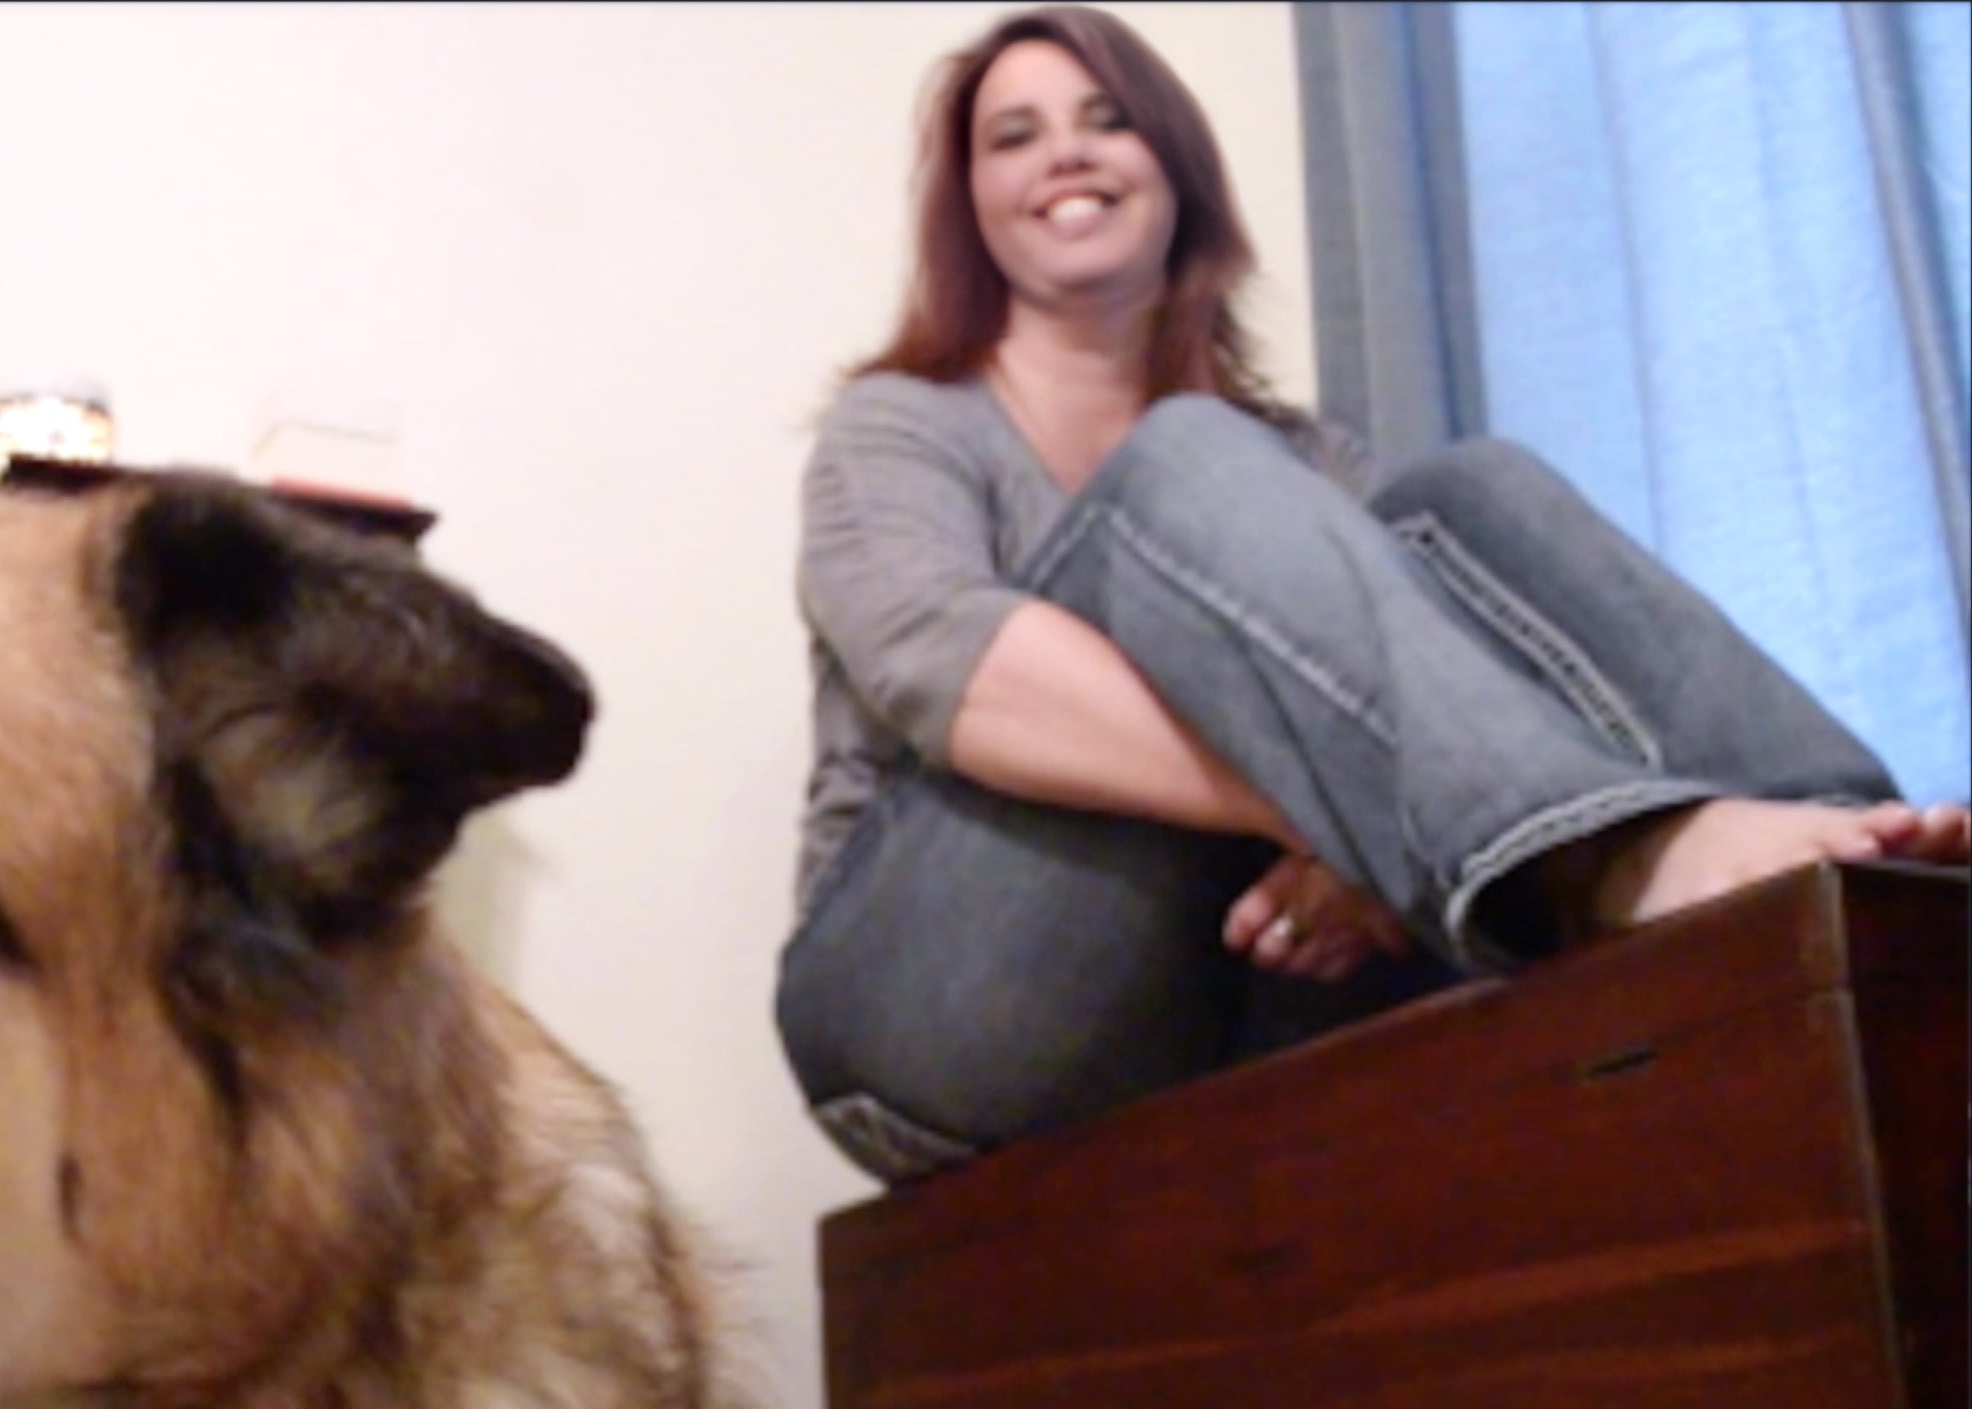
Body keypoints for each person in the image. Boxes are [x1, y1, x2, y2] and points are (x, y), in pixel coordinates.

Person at [774, 3, 1969, 1186]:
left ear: (1172, 171)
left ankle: (1862, 874)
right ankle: (1612, 862)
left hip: (1241, 990)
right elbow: (957, 674)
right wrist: (1334, 803)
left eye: (1105, 120)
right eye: (1013, 136)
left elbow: (1431, 692)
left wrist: (1369, 819)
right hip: (919, 1012)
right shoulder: (901, 428)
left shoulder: (1293, 461)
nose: (1066, 153)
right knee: (1186, 458)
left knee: (1463, 490)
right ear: (969, 206)